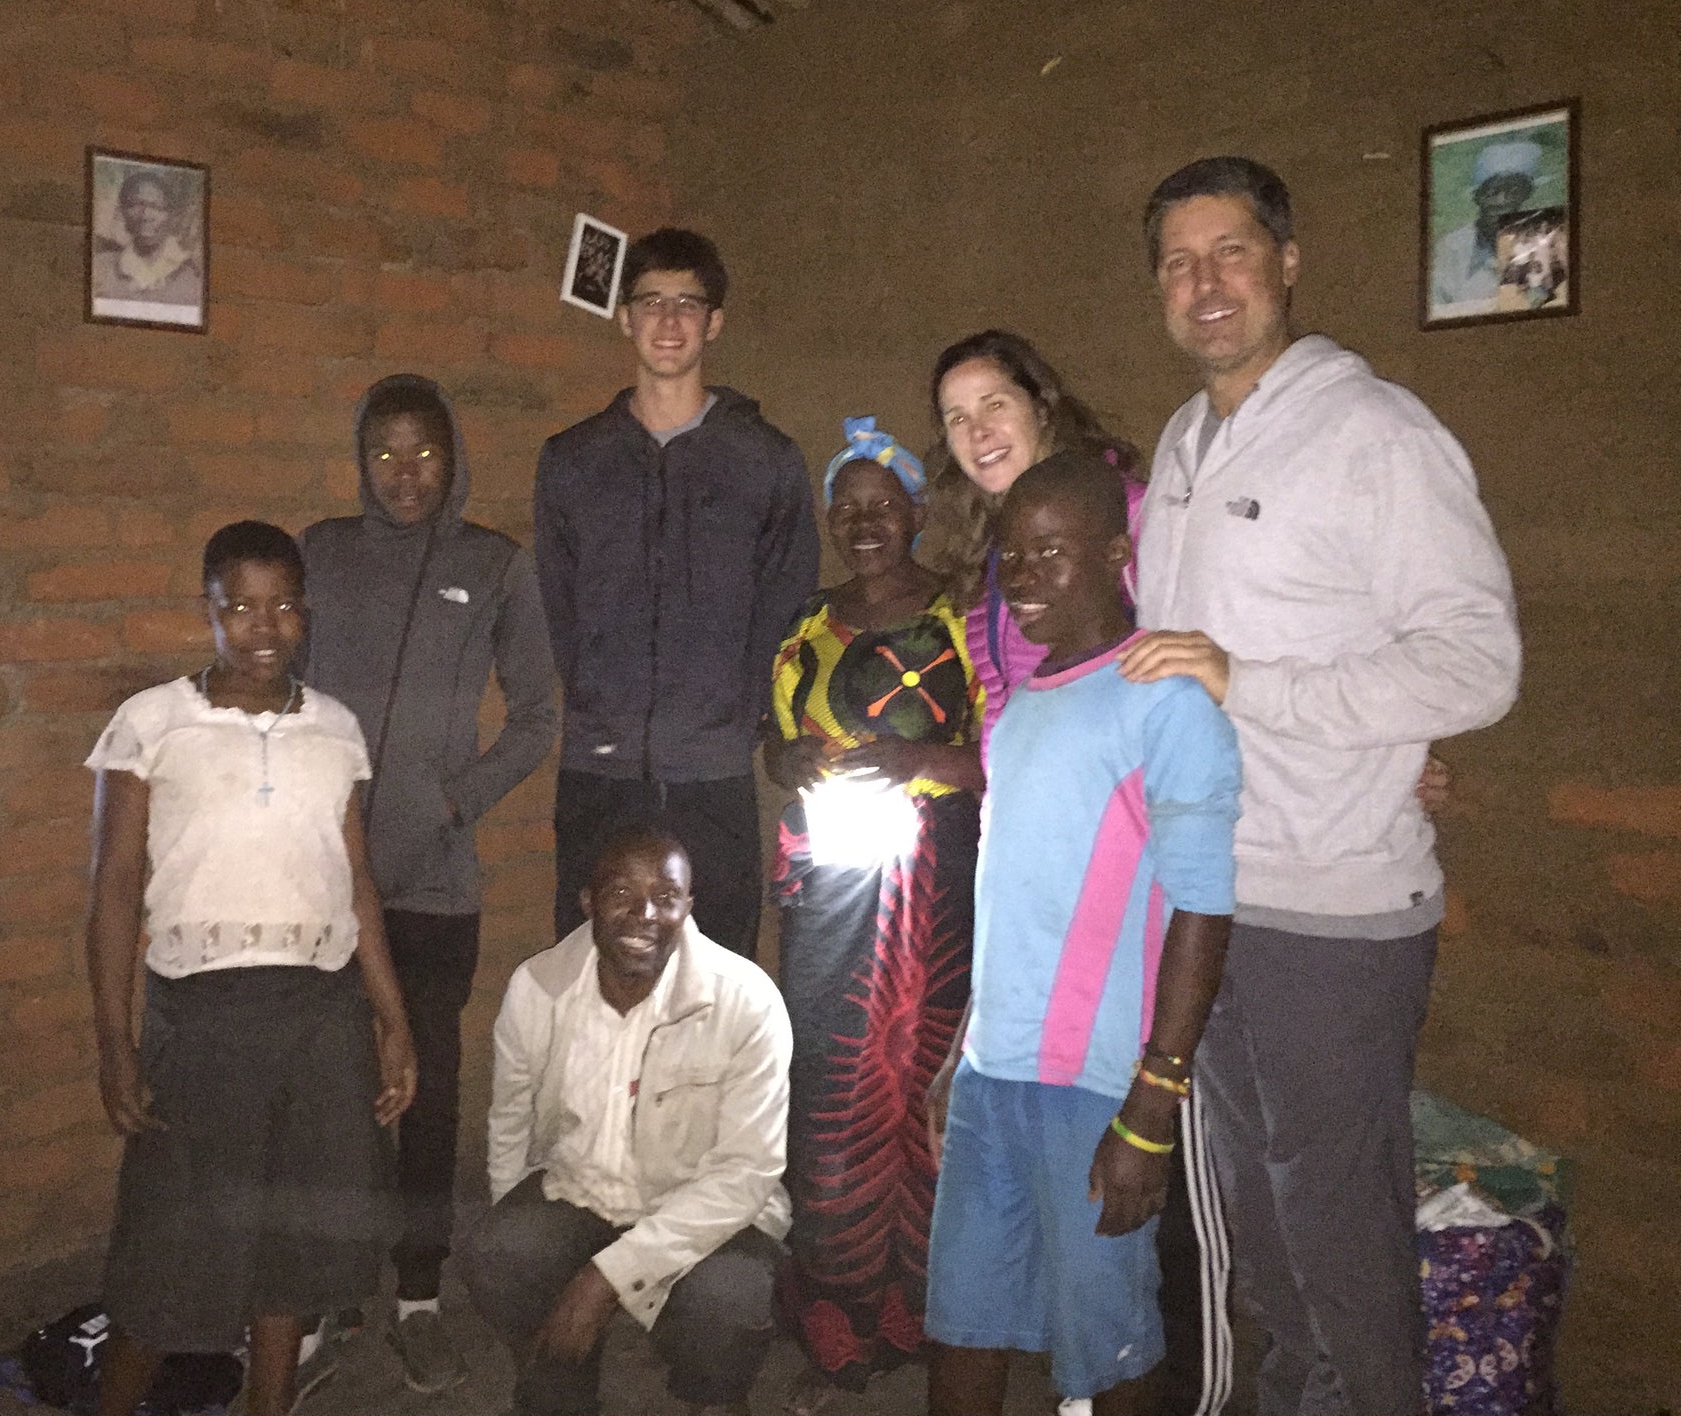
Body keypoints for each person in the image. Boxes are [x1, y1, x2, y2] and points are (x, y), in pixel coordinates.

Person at [1124, 156, 1521, 1416]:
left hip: (1333, 912)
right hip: (1208, 901)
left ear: (1286, 262)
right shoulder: (1182, 443)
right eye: (1180, 262)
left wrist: (1266, 691)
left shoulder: (1375, 434)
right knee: (1262, 1242)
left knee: (1339, 1247)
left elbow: (1475, 662)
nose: (1206, 284)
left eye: (1231, 251)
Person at [919, 331, 1234, 1416]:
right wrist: (961, 1045)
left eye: (1055, 553)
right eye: (1013, 558)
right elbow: (1011, 899)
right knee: (960, 1320)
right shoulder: (1016, 715)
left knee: (1104, 1347)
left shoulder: (1163, 700)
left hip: (1095, 1084)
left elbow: (1201, 904)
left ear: (1117, 552)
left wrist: (1152, 1099)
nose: (1026, 580)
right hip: (993, 1074)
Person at [82, 521, 418, 1416]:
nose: (261, 626)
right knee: (168, 1246)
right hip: (203, 1017)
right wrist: (116, 1042)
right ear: (210, 612)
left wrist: (391, 1020)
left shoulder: (336, 730)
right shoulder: (151, 724)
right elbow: (115, 891)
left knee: (296, 1245)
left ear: (305, 615)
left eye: (282, 607)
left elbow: (358, 887)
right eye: (239, 605)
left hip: (322, 1013)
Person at [298, 374, 559, 1393]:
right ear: (359, 462)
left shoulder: (493, 565)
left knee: (428, 1091)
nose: (404, 475)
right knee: (330, 1089)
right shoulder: (322, 554)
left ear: (452, 460)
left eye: (424, 453)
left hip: (434, 884)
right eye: (383, 454)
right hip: (321, 882)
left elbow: (537, 714)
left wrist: (459, 799)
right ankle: (326, 1293)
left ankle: (415, 1295)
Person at [760, 417, 985, 1407]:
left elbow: (1010, 750)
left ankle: (911, 1291)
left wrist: (924, 763)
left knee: (920, 1080)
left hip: (936, 875)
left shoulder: (965, 618)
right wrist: (784, 762)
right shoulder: (806, 625)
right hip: (830, 880)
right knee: (834, 1075)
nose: (862, 525)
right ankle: (832, 1294)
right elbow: (774, 747)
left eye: (880, 507)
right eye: (844, 509)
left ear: (915, 513)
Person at [534, 227, 819, 958]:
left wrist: (735, 716)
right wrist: (604, 701)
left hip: (712, 775)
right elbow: (561, 607)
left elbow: (785, 609)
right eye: (651, 302)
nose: (668, 321)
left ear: (714, 323)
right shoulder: (572, 462)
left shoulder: (766, 461)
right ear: (625, 317)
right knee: (588, 982)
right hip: (600, 771)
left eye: (687, 304)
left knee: (717, 984)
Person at [461, 824, 794, 1416]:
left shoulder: (746, 1001)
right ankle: (558, 1381)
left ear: (688, 906)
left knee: (727, 1306)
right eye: (621, 894)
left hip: (704, 1209)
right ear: (588, 901)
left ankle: (711, 1396)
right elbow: (509, 1119)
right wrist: (511, 1220)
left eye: (665, 898)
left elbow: (747, 1174)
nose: (644, 915)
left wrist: (602, 1282)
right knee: (499, 1255)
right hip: (580, 1194)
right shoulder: (539, 987)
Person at [1429, 139, 1539, 316]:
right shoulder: (1452, 247)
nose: (1503, 201)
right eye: (1493, 191)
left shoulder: (1541, 241)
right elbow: (1435, 310)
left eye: (1514, 190)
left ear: (1526, 195)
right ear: (1477, 196)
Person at [91, 170, 203, 312]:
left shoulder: (191, 279)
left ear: (172, 216)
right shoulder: (100, 267)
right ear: (122, 212)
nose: (145, 215)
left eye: (156, 207)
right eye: (136, 205)